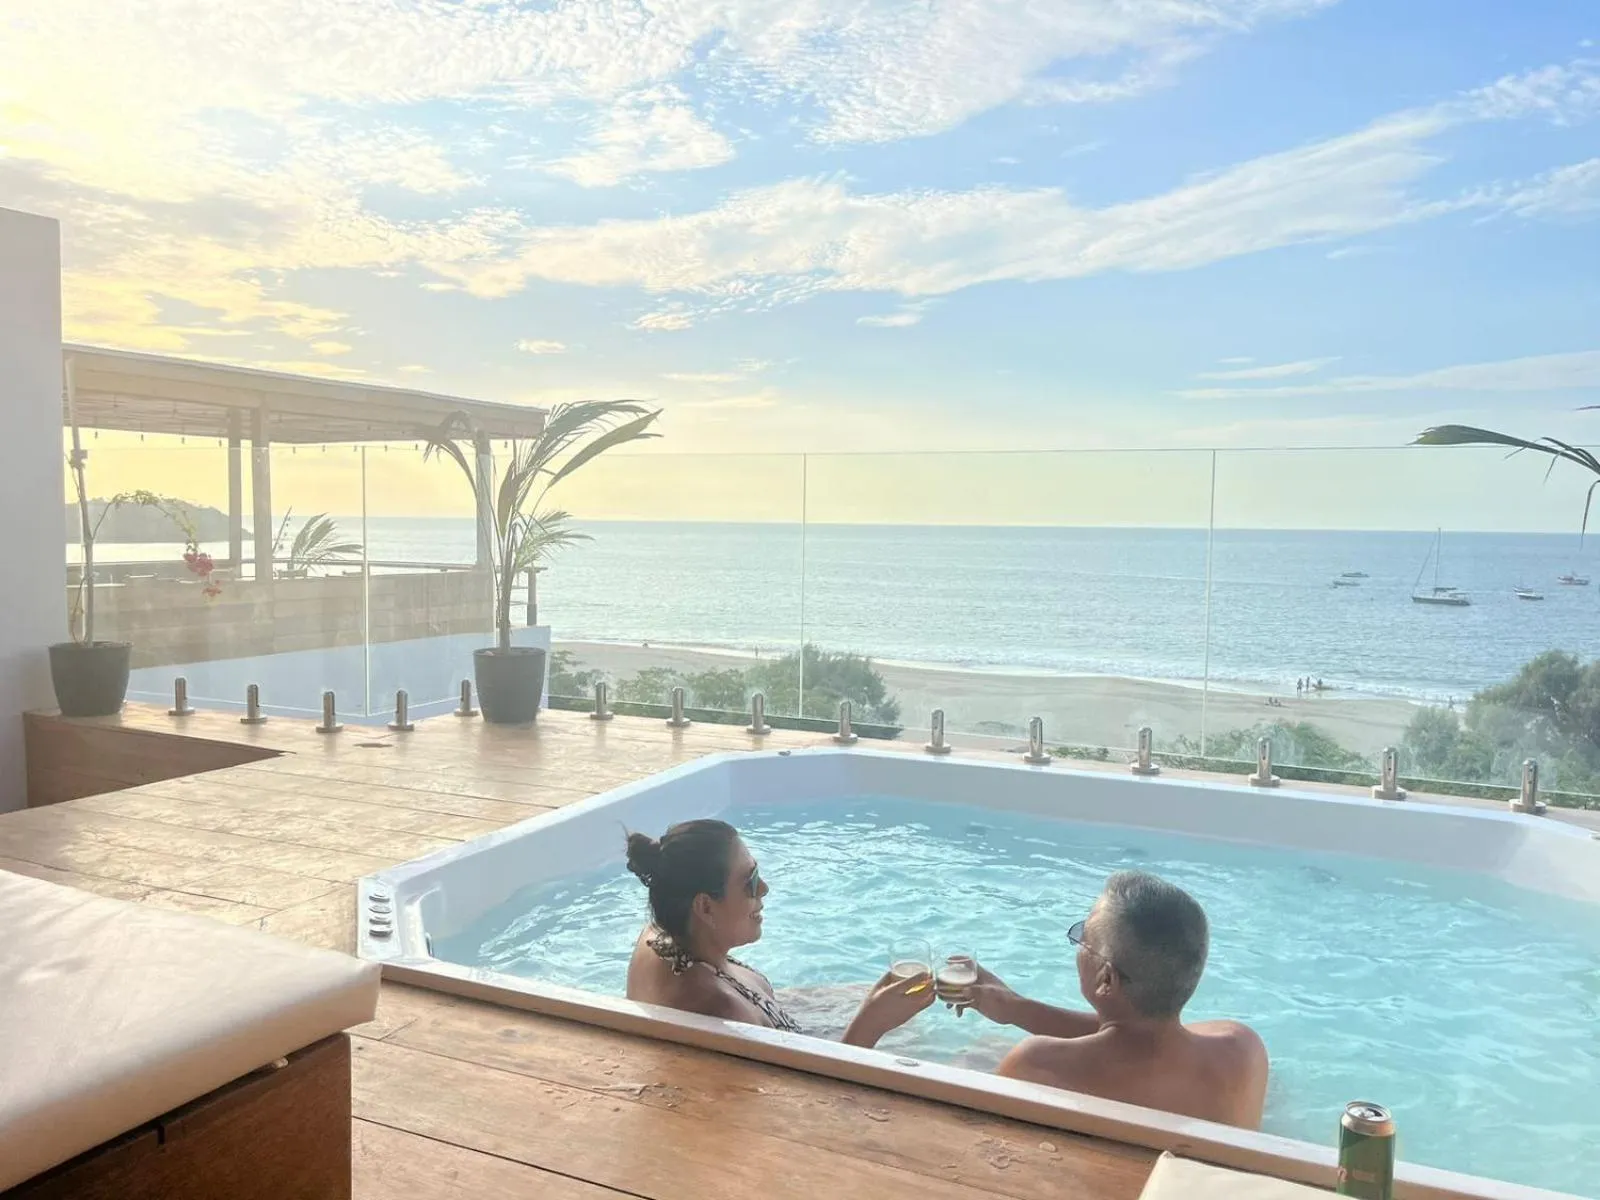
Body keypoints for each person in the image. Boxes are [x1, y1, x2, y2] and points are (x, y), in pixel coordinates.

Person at [941, 871, 1268, 1129]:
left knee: (978, 1051)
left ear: (1106, 978)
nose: (1079, 944)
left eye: (1084, 938)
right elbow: (1143, 1034)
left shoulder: (1036, 1063)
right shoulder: (1243, 1050)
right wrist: (1017, 1008)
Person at [623, 819, 934, 1046]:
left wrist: (867, 1005)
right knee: (954, 1047)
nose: (764, 888)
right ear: (705, 908)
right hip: (811, 1077)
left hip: (788, 1025)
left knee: (892, 1009)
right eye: (750, 880)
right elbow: (809, 1103)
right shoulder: (719, 1010)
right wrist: (871, 1023)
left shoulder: (659, 935)